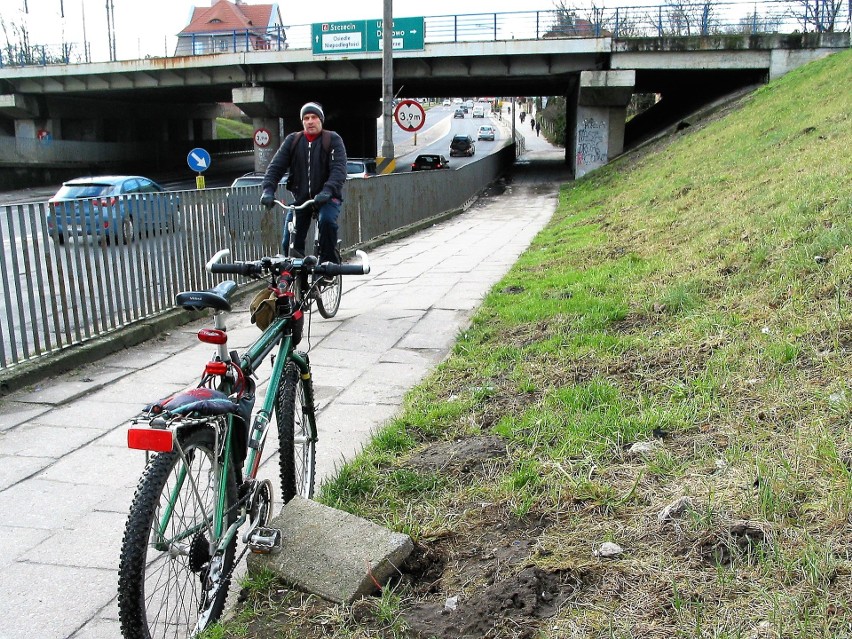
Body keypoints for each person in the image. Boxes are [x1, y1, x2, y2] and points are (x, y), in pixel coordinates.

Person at [260, 102, 347, 263]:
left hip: (327, 198)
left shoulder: (332, 139)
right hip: (301, 200)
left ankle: (329, 267)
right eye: (306, 118)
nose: (310, 121)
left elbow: (339, 170)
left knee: (327, 222)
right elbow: (275, 168)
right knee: (289, 241)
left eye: (314, 117)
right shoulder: (293, 140)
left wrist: (328, 190)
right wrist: (268, 190)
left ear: (320, 120)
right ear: (302, 121)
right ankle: (299, 278)